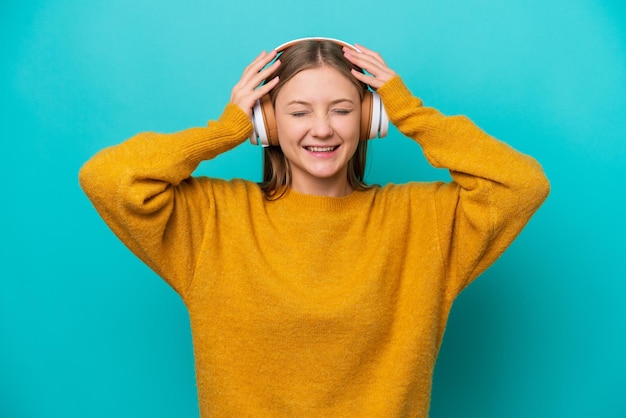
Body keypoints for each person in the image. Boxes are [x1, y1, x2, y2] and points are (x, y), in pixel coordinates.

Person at [79, 38, 550, 417]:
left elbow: (521, 185)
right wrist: (222, 131)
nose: (322, 129)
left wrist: (411, 112)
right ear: (266, 122)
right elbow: (108, 179)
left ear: (370, 119)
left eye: (342, 110)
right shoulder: (211, 220)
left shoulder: (420, 222)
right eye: (299, 111)